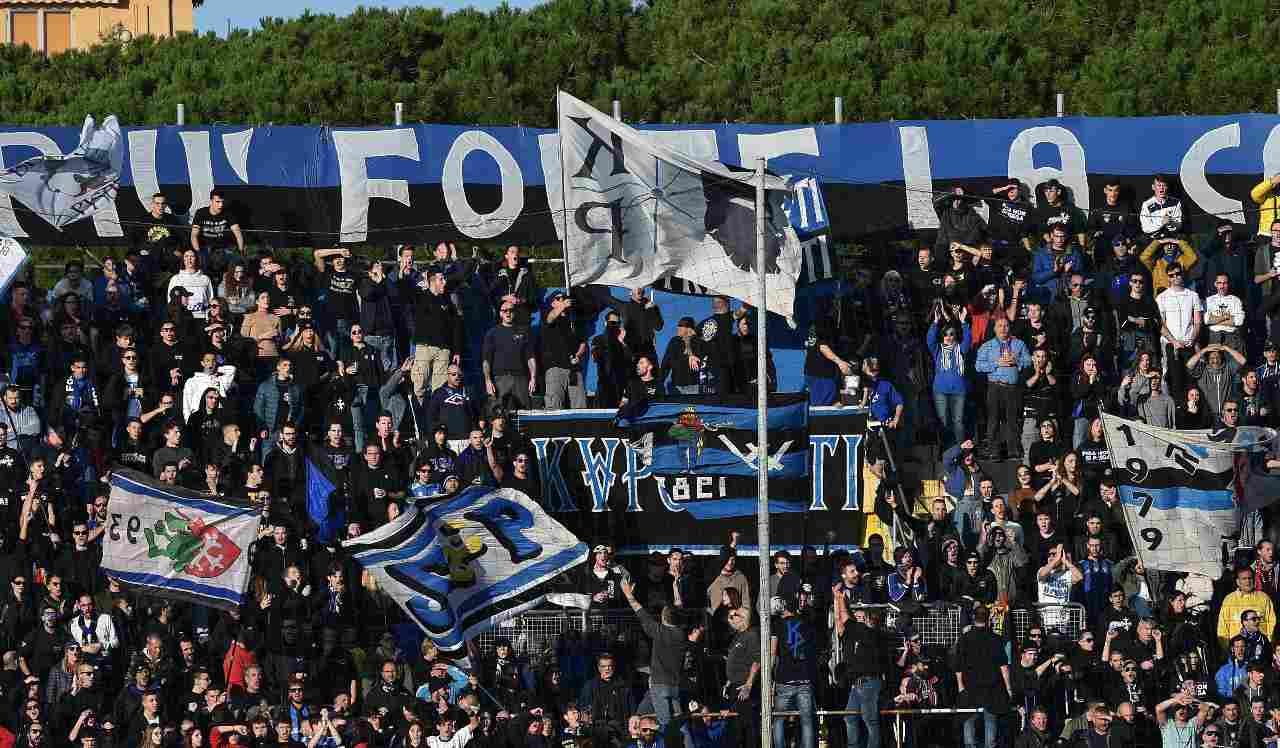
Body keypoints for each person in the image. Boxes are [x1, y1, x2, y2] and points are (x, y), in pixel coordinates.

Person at [621, 578, 686, 730]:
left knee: (666, 725)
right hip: (675, 685)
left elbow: (640, 611)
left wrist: (629, 595)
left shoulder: (658, 631)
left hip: (659, 686)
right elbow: (678, 608)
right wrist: (675, 587)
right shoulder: (680, 634)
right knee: (679, 723)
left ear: (663, 618)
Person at [975, 318, 1032, 460]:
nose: (1003, 328)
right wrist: (996, 363)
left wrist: (1016, 361)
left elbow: (1029, 361)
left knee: (1012, 420)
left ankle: (1013, 450)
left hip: (1012, 388)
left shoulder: (1019, 344)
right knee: (993, 420)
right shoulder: (987, 346)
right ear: (994, 329)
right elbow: (978, 366)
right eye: (999, 326)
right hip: (994, 387)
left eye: (1006, 325)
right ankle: (994, 451)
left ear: (1009, 327)